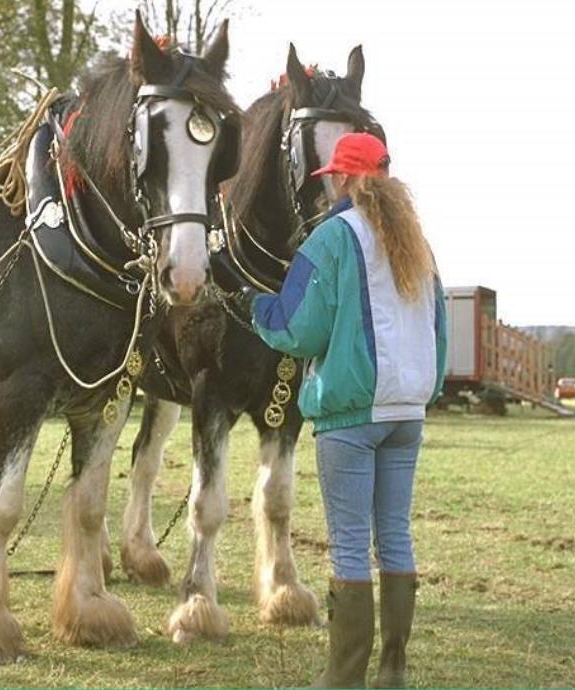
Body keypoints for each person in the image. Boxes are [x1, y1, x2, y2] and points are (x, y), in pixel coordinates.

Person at [237, 133, 446, 688]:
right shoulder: (417, 240)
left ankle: (343, 678)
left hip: (352, 414)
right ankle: (393, 670)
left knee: (351, 545)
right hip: (408, 410)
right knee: (395, 536)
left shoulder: (331, 238)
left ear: (348, 178)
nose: (326, 183)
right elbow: (439, 330)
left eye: (332, 175)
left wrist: (252, 305)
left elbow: (296, 328)